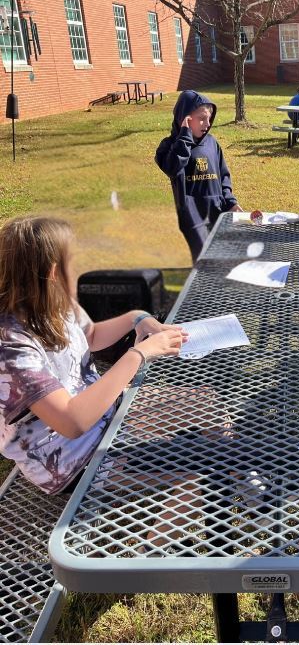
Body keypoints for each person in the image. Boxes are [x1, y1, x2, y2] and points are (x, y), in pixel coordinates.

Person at [0, 216, 186, 495]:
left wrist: (137, 318)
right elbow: (72, 422)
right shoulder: (11, 346)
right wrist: (138, 354)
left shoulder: (53, 301)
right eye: (73, 263)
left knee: (209, 406)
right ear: (53, 272)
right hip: (71, 461)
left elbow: (90, 337)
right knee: (192, 476)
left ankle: (247, 484)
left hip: (107, 417)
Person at [155, 90, 243, 263]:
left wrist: (230, 202)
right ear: (184, 119)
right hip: (193, 219)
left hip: (217, 213)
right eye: (201, 118)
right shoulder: (169, 146)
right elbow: (172, 167)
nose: (207, 124)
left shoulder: (212, 143)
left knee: (225, 259)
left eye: (209, 118)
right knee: (203, 264)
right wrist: (185, 136)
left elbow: (223, 176)